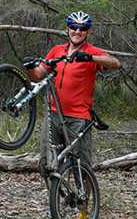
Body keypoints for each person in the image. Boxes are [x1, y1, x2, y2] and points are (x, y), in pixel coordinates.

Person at [24, 11, 120, 199]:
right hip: (53, 115)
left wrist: (90, 58)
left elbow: (115, 63)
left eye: (82, 28)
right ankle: (57, 212)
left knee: (81, 167)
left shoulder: (92, 52)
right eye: (73, 27)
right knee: (49, 164)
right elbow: (37, 75)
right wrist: (29, 67)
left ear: (87, 32)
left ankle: (83, 216)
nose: (77, 31)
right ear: (67, 29)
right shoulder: (57, 51)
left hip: (79, 118)